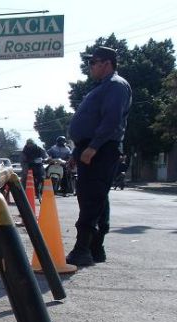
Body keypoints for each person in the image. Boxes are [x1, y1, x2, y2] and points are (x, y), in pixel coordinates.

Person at [66, 46, 132, 266]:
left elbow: (111, 120)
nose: (90, 67)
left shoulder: (116, 85)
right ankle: (96, 249)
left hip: (102, 149)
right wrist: (77, 151)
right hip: (92, 147)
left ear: (107, 63)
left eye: (93, 62)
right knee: (97, 197)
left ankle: (82, 250)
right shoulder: (103, 86)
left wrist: (93, 147)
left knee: (91, 198)